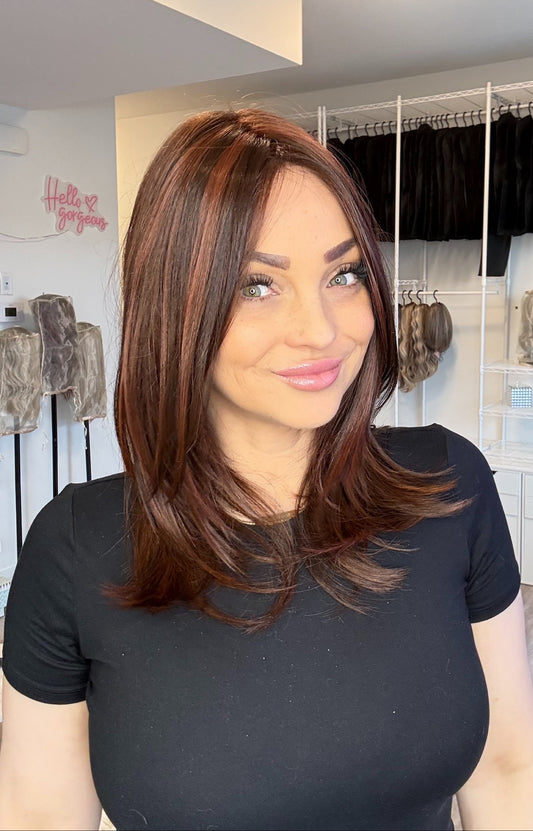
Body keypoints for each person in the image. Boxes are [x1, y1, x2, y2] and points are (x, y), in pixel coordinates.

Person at [0, 108, 532, 831]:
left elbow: (507, 770)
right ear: (175, 307)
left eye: (344, 273)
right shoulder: (75, 550)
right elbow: (38, 816)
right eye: (258, 284)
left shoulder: (449, 488)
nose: (320, 330)